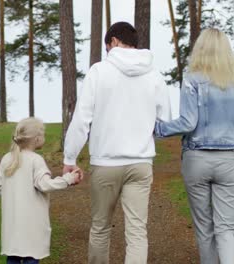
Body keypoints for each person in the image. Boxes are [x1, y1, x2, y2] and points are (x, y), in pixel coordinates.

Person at [62, 22, 171, 264]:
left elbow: (82, 119)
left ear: (112, 42)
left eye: (106, 46)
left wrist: (70, 158)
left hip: (106, 162)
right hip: (141, 163)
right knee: (137, 232)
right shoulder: (154, 74)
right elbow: (165, 121)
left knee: (100, 228)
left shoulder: (99, 71)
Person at [155, 28, 234, 264]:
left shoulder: (192, 79)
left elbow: (189, 122)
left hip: (197, 159)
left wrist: (158, 128)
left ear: (200, 49)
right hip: (231, 158)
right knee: (227, 228)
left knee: (204, 227)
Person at [0, 117, 82, 264]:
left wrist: (13, 196)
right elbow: (45, 185)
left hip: (12, 223)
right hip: (32, 225)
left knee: (13, 257)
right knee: (31, 257)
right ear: (36, 139)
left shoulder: (6, 159)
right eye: (43, 134)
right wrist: (68, 179)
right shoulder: (36, 160)